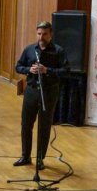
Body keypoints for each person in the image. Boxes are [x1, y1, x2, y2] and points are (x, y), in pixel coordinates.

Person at [14, 20, 68, 168]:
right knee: (26, 124)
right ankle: (25, 156)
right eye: (39, 34)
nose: (41, 37)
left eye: (44, 34)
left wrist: (47, 70)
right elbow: (18, 66)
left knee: (44, 126)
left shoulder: (58, 51)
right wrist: (28, 70)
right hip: (32, 90)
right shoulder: (29, 49)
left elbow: (65, 71)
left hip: (49, 91)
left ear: (50, 34)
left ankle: (40, 158)